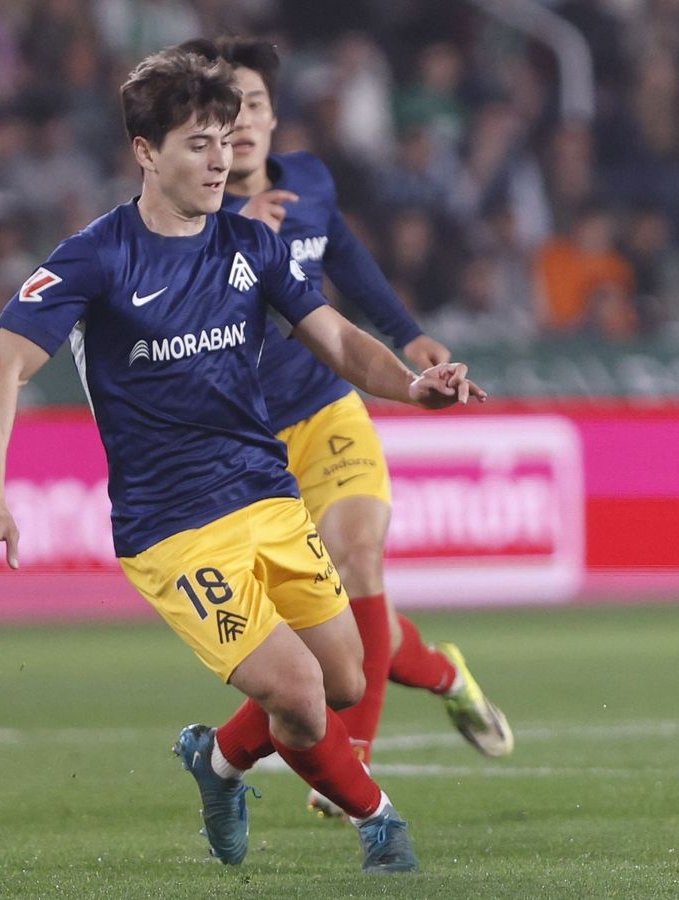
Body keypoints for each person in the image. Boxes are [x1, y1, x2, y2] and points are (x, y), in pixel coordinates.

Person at [0, 47, 487, 873]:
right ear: (144, 151)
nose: (220, 160)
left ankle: (217, 762)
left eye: (225, 141)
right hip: (174, 529)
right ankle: (380, 823)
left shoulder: (248, 245)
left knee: (344, 680)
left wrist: (414, 387)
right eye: (197, 144)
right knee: (298, 692)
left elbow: (339, 339)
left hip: (267, 497)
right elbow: (0, 370)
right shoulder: (96, 256)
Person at [178, 36, 512, 819]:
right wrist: (232, 234)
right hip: (246, 453)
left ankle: (352, 757)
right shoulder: (184, 224)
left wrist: (408, 333)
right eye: (225, 111)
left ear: (273, 116)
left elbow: (348, 258)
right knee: (342, 636)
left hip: (326, 411)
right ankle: (446, 676)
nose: (242, 123)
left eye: (254, 105)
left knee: (359, 556)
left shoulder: (311, 182)